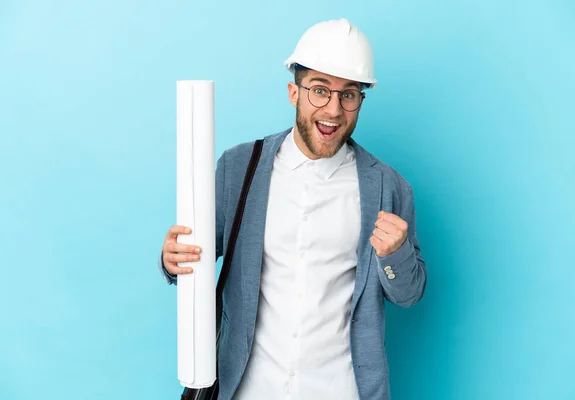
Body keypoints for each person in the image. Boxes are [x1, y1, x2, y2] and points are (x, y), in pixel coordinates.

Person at [159, 18, 427, 400]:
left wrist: (395, 254)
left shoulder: (389, 186)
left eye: (349, 94)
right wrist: (173, 259)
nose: (333, 110)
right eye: (320, 90)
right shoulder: (239, 167)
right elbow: (196, 254)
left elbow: (410, 293)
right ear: (293, 92)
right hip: (248, 389)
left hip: (340, 390)